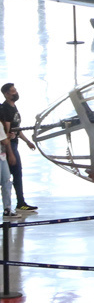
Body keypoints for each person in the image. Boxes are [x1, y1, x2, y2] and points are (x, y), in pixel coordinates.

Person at [0, 83, 35, 213]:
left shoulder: (13, 107)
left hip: (14, 144)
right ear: (6, 94)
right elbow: (6, 132)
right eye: (13, 91)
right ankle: (19, 203)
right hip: (10, 146)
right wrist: (10, 152)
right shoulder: (5, 109)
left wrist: (27, 141)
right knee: (14, 175)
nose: (15, 93)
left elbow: (17, 130)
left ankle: (20, 202)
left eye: (15, 90)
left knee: (16, 174)